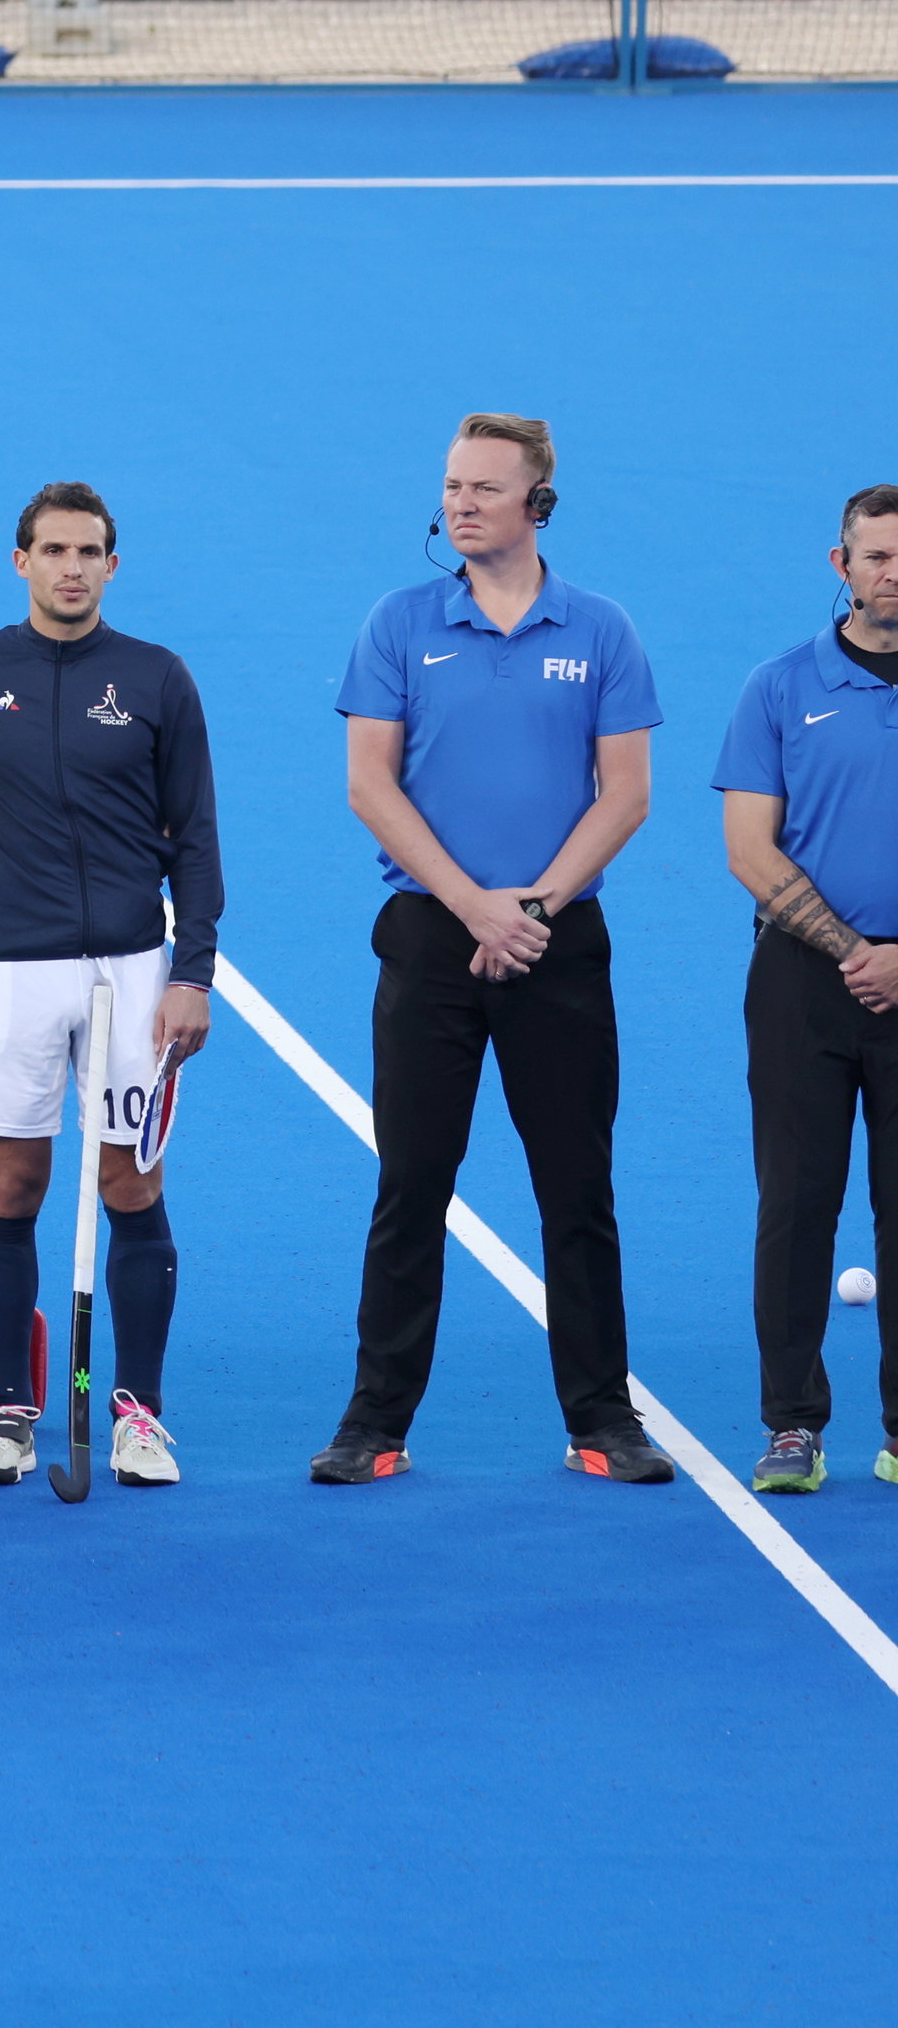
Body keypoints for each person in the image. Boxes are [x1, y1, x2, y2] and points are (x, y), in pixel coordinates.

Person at [323, 412, 669, 1487]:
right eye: (450, 486)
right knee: (411, 1182)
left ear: (537, 504)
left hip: (554, 943)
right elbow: (367, 784)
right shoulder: (398, 623)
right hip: (432, 938)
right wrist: (475, 905)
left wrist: (533, 905)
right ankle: (372, 1420)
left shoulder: (599, 629)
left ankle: (601, 1417)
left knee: (575, 1186)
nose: (459, 502)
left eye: (482, 486)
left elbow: (626, 792)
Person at [0, 482, 221, 1490]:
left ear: (110, 564)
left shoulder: (153, 678)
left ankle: (137, 1412)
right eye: (50, 549)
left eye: (86, 551)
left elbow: (194, 837)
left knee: (126, 1183)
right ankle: (5, 1411)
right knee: (6, 1187)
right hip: (10, 969)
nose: (68, 567)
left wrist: (192, 971)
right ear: (18, 560)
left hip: (128, 971)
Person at [712, 480, 898, 1492]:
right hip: (800, 983)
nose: (891, 573)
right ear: (839, 565)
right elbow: (747, 845)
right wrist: (852, 950)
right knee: (795, 1204)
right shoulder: (779, 687)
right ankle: (791, 1425)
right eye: (874, 555)